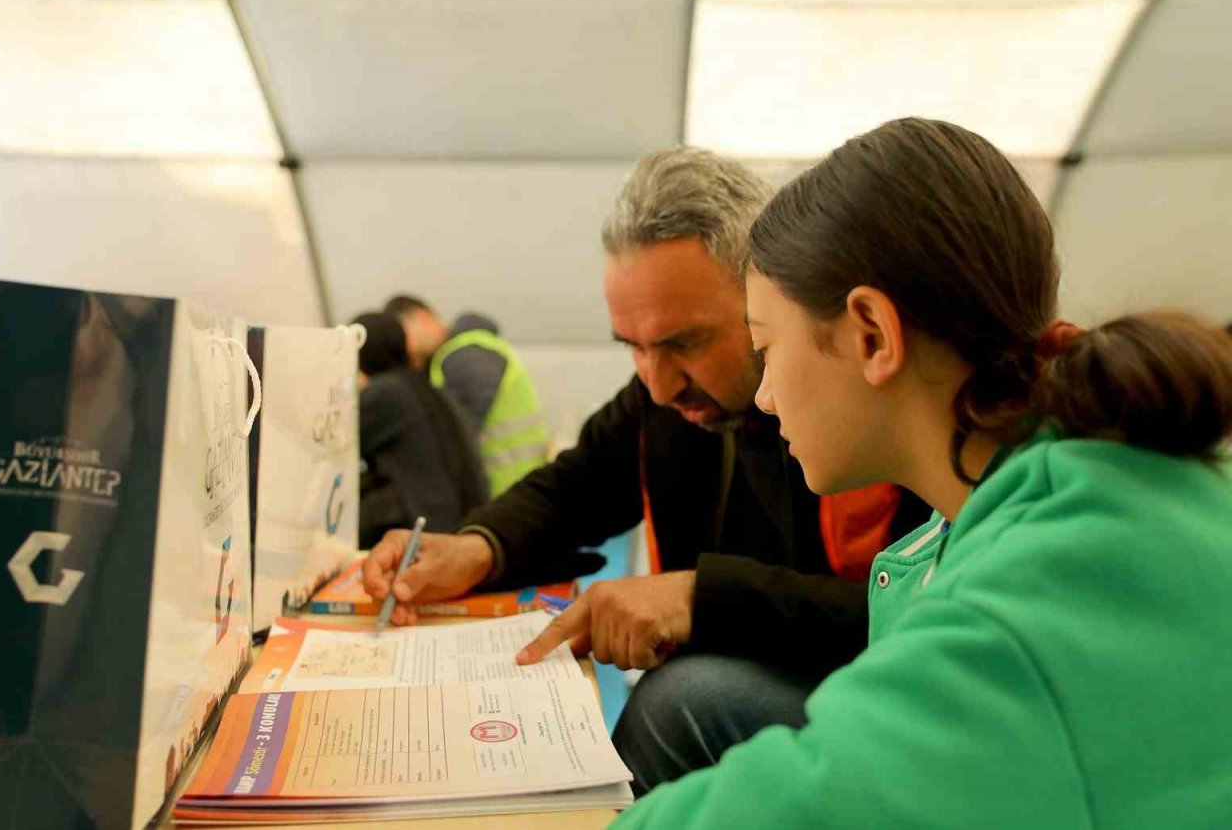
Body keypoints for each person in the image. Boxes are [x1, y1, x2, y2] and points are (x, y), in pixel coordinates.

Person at [613, 118, 1232, 829]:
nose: (764, 395)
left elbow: (809, 796)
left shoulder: (1022, 607)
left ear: (872, 333)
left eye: (768, 346)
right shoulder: (1102, 477)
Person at [363, 147, 930, 794]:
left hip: (868, 699)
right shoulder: (665, 398)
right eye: (633, 346)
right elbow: (577, 484)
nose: (657, 385)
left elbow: (914, 615)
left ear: (771, 296)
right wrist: (476, 546)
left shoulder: (864, 411)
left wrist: (702, 597)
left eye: (683, 342)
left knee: (681, 698)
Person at [384, 295, 550, 496]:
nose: (407, 346)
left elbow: (459, 434)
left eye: (406, 334)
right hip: (515, 486)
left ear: (424, 318)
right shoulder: (464, 351)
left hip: (507, 489)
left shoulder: (464, 355)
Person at [352, 312, 488, 545]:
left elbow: (333, 445)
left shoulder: (385, 393)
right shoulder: (421, 384)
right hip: (464, 520)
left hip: (429, 529)